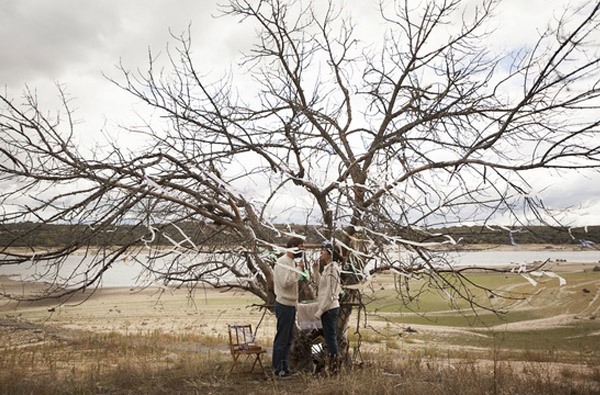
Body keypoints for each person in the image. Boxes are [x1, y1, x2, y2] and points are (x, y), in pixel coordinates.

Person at [272, 236, 305, 379]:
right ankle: (277, 369)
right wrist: (298, 270)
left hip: (291, 304)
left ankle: (285, 368)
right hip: (284, 304)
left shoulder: (291, 262)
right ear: (293, 247)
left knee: (288, 338)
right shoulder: (282, 262)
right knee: (282, 338)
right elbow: (286, 283)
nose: (302, 250)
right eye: (301, 247)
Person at [313, 241, 342, 373]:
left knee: (330, 337)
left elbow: (330, 293)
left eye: (323, 251)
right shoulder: (327, 268)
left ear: (329, 253)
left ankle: (334, 367)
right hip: (327, 308)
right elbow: (321, 285)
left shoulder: (333, 269)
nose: (321, 253)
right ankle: (331, 366)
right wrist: (315, 270)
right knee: (328, 336)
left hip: (330, 308)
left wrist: (320, 310)